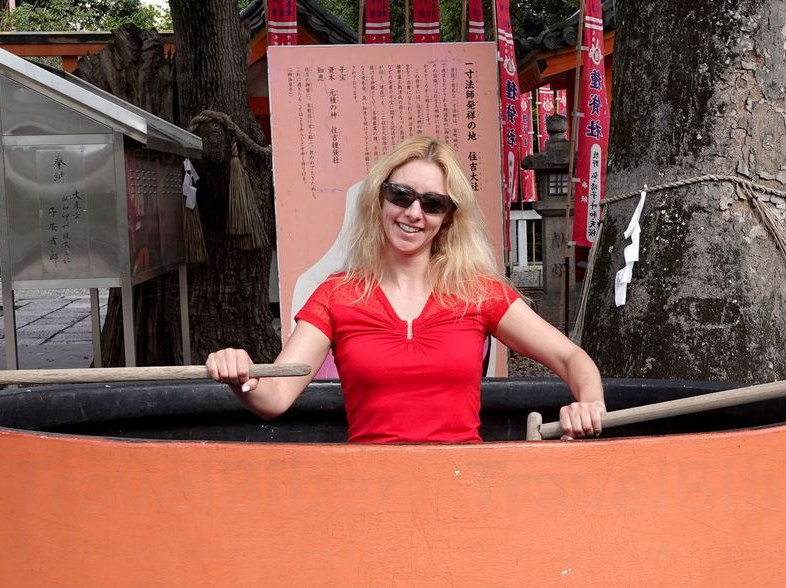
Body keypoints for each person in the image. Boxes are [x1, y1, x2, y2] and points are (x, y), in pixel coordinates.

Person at [205, 135, 605, 443]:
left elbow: (571, 357)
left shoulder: (477, 291)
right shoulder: (337, 294)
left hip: (463, 485)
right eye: (401, 195)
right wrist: (243, 378)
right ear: (379, 199)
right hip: (372, 489)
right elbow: (275, 396)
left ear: (448, 218)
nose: (414, 212)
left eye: (432, 204)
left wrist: (590, 404)